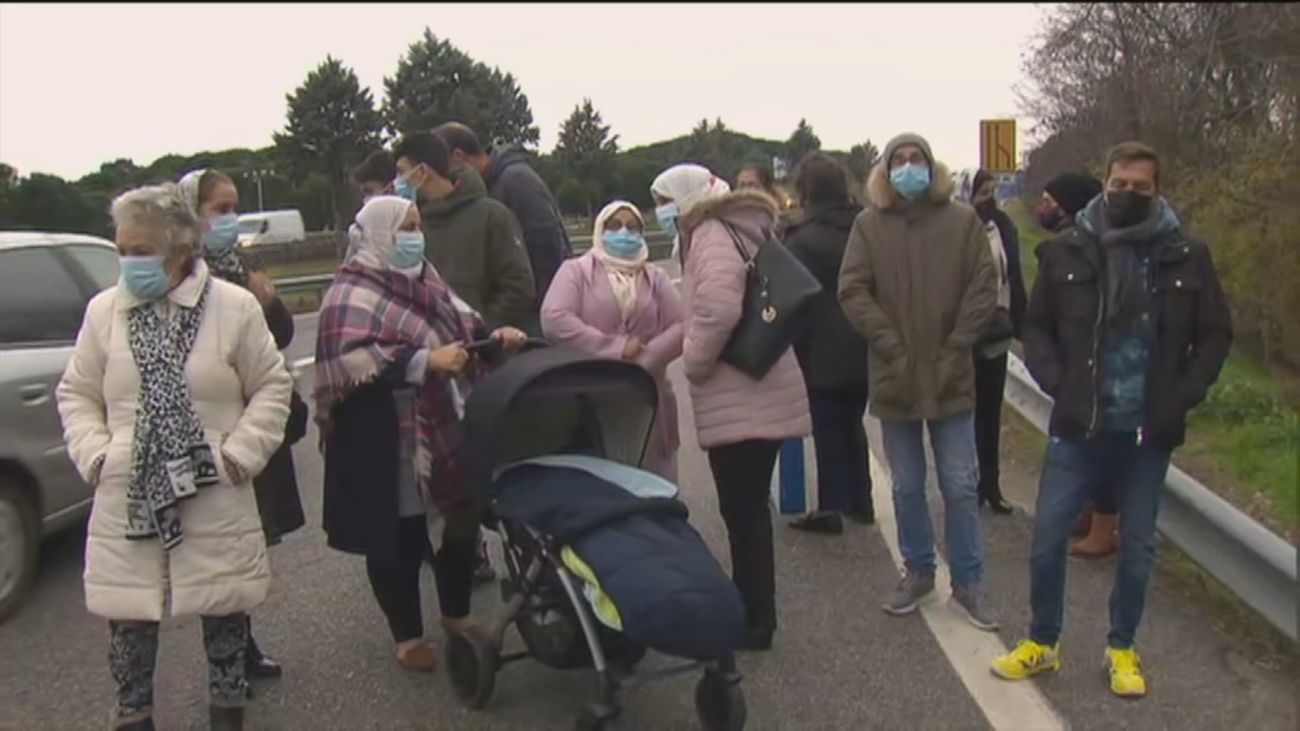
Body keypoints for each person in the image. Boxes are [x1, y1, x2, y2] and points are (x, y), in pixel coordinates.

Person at [992, 142, 1231, 698]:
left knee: (1139, 545)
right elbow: (1037, 328)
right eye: (1118, 184)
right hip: (1080, 425)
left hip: (1147, 430)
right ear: (1105, 183)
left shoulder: (1186, 255)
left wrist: (1185, 394)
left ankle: (1122, 647)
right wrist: (1057, 382)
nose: (1127, 195)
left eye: (1140, 188)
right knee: (1048, 538)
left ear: (1157, 190)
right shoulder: (1067, 251)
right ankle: (1042, 641)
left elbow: (1216, 333)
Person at [56, 183, 293, 731]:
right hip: (127, 501)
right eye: (122, 251)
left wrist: (237, 457)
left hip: (215, 497)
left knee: (225, 626)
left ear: (181, 246)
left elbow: (272, 387)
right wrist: (97, 456)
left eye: (141, 251)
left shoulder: (233, 308)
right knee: (130, 637)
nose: (129, 263)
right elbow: (77, 393)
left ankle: (227, 716)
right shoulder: (104, 312)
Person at [315, 195, 528, 673]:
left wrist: (495, 340)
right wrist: (422, 362)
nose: (414, 235)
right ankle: (406, 634)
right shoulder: (349, 291)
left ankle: (455, 616)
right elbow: (345, 360)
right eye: (404, 227)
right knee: (398, 538)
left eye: (416, 225)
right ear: (376, 235)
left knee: (459, 523)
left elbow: (466, 327)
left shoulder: (428, 281)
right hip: (386, 439)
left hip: (443, 428)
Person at [838, 133, 999, 630]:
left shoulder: (962, 222)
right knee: (907, 485)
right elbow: (852, 289)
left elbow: (983, 286)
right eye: (900, 160)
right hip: (896, 373)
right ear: (885, 171)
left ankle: (968, 583)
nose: (910, 167)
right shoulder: (868, 226)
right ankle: (918, 570)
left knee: (959, 482)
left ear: (933, 167)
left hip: (952, 371)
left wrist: (958, 344)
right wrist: (888, 341)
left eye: (918, 159)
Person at [652, 163, 811, 651]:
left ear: (687, 197)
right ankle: (754, 610)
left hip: (741, 392)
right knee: (747, 510)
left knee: (742, 511)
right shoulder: (735, 226)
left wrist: (695, 362)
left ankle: (755, 621)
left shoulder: (711, 233)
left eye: (663, 200)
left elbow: (718, 310)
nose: (661, 210)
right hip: (759, 385)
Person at [177, 168, 306, 691]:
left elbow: (280, 337)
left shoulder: (241, 266)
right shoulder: (183, 275)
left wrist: (269, 301)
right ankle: (225, 663)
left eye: (233, 207)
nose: (229, 219)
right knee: (221, 548)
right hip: (213, 427)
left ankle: (242, 643)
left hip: (257, 423)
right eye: (218, 209)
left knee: (250, 542)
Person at [540, 200, 684, 481]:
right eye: (614, 226)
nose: (624, 233)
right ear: (600, 230)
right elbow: (554, 318)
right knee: (603, 482)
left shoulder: (655, 277)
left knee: (654, 482)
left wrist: (647, 359)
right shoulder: (577, 271)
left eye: (632, 227)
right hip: (593, 393)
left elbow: (682, 324)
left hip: (648, 396)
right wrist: (615, 348)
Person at [782, 153, 874, 534]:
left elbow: (790, 297)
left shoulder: (801, 240)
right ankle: (861, 500)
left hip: (820, 345)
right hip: (866, 342)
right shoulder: (865, 228)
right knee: (853, 422)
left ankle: (831, 506)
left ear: (805, 192)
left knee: (828, 426)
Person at [1033, 172, 1119, 557]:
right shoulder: (1060, 250)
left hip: (1102, 369)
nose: (1043, 207)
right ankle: (1085, 512)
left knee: (1102, 446)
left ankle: (1105, 523)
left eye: (1050, 201)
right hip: (1070, 368)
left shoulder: (1102, 249)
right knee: (1080, 441)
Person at [393, 131, 536, 331]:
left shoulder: (493, 217)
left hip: (484, 351)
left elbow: (519, 288)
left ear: (422, 171)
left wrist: (479, 330)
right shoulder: (411, 225)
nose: (397, 182)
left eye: (401, 172)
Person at [434, 121, 572, 326]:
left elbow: (548, 253)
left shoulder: (517, 182)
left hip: (535, 319)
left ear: (458, 157)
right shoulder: (486, 188)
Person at [952, 168, 1028, 515]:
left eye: (992, 190)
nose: (989, 198)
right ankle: (962, 482)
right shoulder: (949, 228)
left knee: (989, 411)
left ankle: (991, 483)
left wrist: (1020, 324)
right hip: (958, 333)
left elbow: (1013, 276)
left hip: (995, 332)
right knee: (959, 412)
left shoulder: (1002, 226)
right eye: (982, 191)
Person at [651, 163, 731, 263]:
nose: (659, 210)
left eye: (664, 202)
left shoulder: (715, 242)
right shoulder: (690, 240)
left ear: (688, 197)